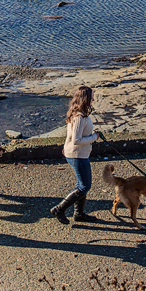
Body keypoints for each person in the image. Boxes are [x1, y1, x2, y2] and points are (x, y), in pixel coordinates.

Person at [51, 85, 100, 224]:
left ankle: (79, 214)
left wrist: (65, 147)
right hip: (77, 155)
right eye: (91, 97)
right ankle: (59, 209)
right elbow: (76, 140)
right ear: (85, 99)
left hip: (77, 154)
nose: (93, 99)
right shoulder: (79, 117)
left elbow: (70, 135)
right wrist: (94, 137)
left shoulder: (79, 113)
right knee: (84, 186)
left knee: (81, 184)